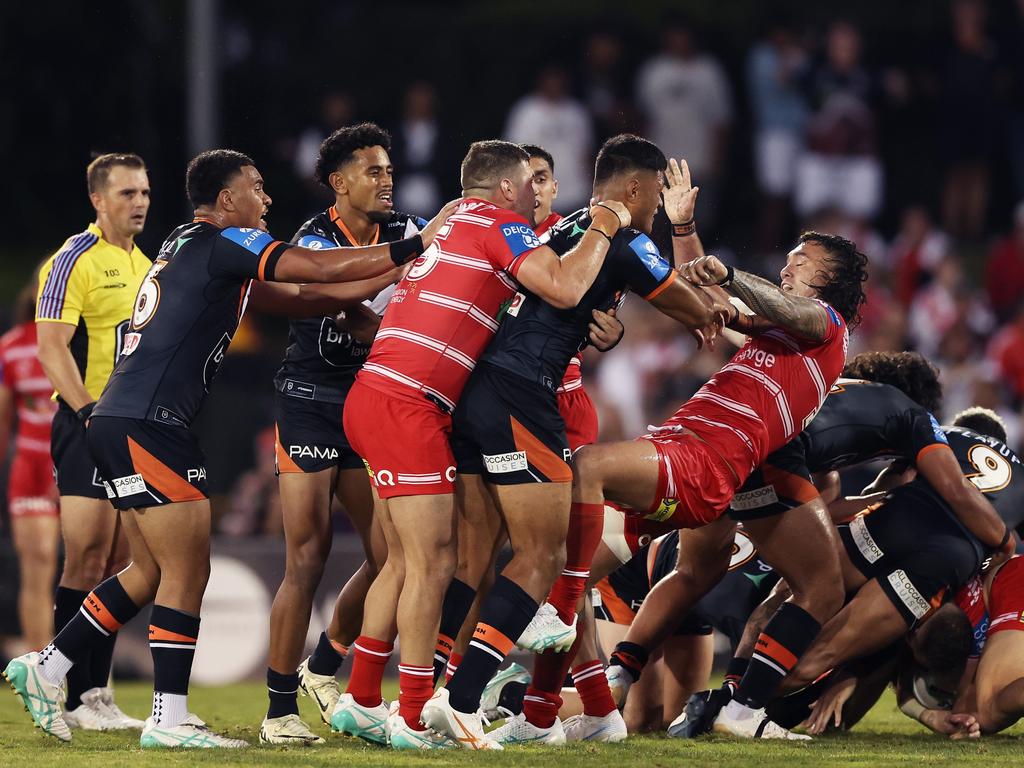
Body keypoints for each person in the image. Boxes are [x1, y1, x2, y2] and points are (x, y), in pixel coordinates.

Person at [3, 148, 455, 748]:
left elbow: (304, 299)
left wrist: (393, 272)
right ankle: (167, 718)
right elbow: (311, 270)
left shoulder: (189, 248)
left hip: (121, 419)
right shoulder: (225, 242)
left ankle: (50, 666)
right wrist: (412, 248)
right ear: (225, 202)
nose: (266, 200)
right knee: (188, 569)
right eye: (257, 188)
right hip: (149, 423)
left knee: (147, 572)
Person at [332, 140, 631, 750]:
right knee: (439, 563)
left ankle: (363, 699)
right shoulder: (503, 225)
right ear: (504, 189)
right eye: (530, 181)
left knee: (410, 560)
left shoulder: (450, 221)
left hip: (385, 394)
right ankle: (415, 715)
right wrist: (604, 223)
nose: (536, 192)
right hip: (414, 403)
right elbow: (565, 290)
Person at [430, 137, 724, 750]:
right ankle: (461, 699)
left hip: (482, 391)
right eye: (650, 204)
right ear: (638, 191)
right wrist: (697, 263)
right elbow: (692, 305)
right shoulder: (618, 232)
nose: (650, 217)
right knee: (544, 561)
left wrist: (606, 325)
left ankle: (481, 695)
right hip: (523, 396)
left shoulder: (565, 226)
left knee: (491, 558)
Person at [566, 230, 870, 741]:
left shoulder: (826, 325)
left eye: (801, 261)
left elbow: (774, 304)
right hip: (725, 458)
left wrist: (728, 274)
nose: (787, 268)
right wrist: (685, 232)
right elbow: (710, 301)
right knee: (700, 571)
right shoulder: (770, 332)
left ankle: (704, 697)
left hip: (721, 459)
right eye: (789, 259)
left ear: (830, 279)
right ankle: (637, 677)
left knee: (805, 584)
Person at [261, 123, 426, 745]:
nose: (388, 180)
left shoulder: (405, 230)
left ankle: (324, 664)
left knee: (391, 557)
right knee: (306, 555)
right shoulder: (314, 236)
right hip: (309, 400)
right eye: (374, 171)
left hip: (370, 403)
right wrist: (392, 280)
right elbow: (332, 302)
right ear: (340, 182)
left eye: (389, 170)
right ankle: (278, 713)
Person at [770, 409, 1023, 714]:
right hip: (944, 564)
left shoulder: (940, 437)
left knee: (800, 597)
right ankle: (807, 700)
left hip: (891, 525)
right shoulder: (1015, 480)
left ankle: (739, 692)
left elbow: (883, 488)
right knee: (881, 639)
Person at [33, 152, 152, 730]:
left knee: (119, 559)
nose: (139, 204)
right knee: (84, 552)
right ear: (98, 201)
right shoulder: (71, 260)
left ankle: (95, 696)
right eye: (127, 194)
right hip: (84, 424)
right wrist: (84, 411)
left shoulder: (145, 264)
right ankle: (70, 694)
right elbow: (52, 347)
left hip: (128, 426)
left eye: (145, 194)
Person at [0, 278, 59, 653]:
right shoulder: (11, 348)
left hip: (76, 463)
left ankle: (89, 677)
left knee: (90, 567)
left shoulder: (78, 341)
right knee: (39, 562)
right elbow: (3, 421)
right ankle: (43, 672)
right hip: (31, 468)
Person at [504, 66, 595, 211]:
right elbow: (514, 154)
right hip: (537, 193)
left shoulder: (576, 112)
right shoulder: (526, 111)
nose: (554, 85)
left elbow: (586, 153)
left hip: (574, 193)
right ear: (541, 82)